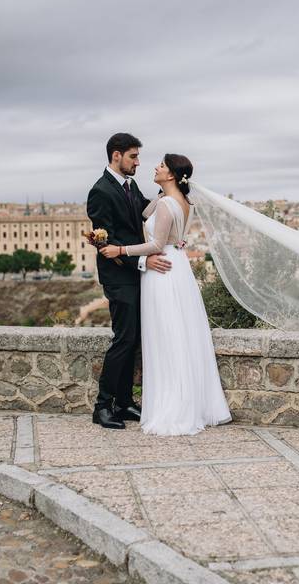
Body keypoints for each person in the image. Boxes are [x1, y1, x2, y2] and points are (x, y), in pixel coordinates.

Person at [99, 154, 232, 435]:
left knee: (165, 335)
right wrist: (162, 194)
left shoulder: (168, 204)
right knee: (181, 332)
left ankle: (172, 405)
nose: (155, 168)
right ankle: (189, 401)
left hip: (161, 269)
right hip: (179, 266)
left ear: (171, 174)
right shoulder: (184, 203)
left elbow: (156, 243)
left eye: (161, 166)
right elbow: (146, 215)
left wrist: (119, 250)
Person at [86, 133, 171, 430]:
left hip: (137, 274)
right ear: (116, 156)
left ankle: (123, 403)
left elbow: (142, 213)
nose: (137, 162)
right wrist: (142, 260)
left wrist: (169, 196)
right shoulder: (100, 191)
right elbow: (107, 243)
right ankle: (102, 406)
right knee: (123, 339)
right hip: (119, 276)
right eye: (133, 156)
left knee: (133, 339)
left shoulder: (129, 185)